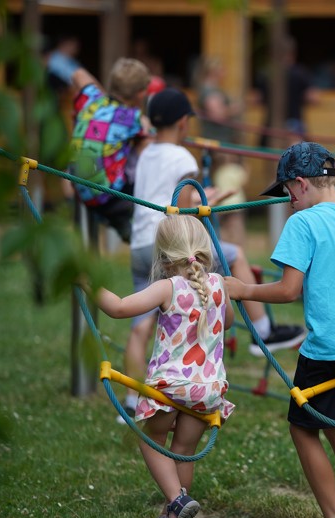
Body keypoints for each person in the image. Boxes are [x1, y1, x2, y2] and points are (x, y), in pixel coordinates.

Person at [225, 142, 335, 518]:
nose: (287, 202)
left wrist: (242, 289)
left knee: (303, 427)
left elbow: (287, 290)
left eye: (286, 192)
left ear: (299, 184)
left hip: (329, 348)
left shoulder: (304, 223)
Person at [119, 88, 306, 420]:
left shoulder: (146, 152)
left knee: (140, 326)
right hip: (174, 242)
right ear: (183, 122)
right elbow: (190, 207)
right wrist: (216, 197)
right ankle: (263, 330)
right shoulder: (185, 159)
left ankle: (132, 402)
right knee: (234, 256)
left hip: (141, 244)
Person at [88, 214, 236, 518]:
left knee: (150, 436)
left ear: (165, 259)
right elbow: (231, 321)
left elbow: (119, 308)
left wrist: (87, 283)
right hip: (210, 389)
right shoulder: (219, 285)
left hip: (171, 386)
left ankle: (176, 500)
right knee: (183, 451)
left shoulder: (168, 287)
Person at [68, 57, 152, 243]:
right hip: (107, 197)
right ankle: (125, 220)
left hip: (78, 187)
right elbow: (147, 131)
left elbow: (78, 74)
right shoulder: (132, 117)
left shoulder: (92, 99)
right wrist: (145, 123)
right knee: (146, 144)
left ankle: (122, 219)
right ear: (140, 94)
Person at [194, 56, 249, 246]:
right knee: (226, 191)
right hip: (220, 149)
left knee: (223, 190)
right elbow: (217, 114)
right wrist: (235, 108)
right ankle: (229, 243)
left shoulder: (210, 90)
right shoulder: (210, 91)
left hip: (221, 147)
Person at [256, 36, 320, 146]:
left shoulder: (266, 73)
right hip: (294, 122)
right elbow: (313, 98)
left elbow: (257, 99)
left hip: (271, 123)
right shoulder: (300, 73)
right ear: (293, 52)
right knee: (296, 155)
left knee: (272, 155)